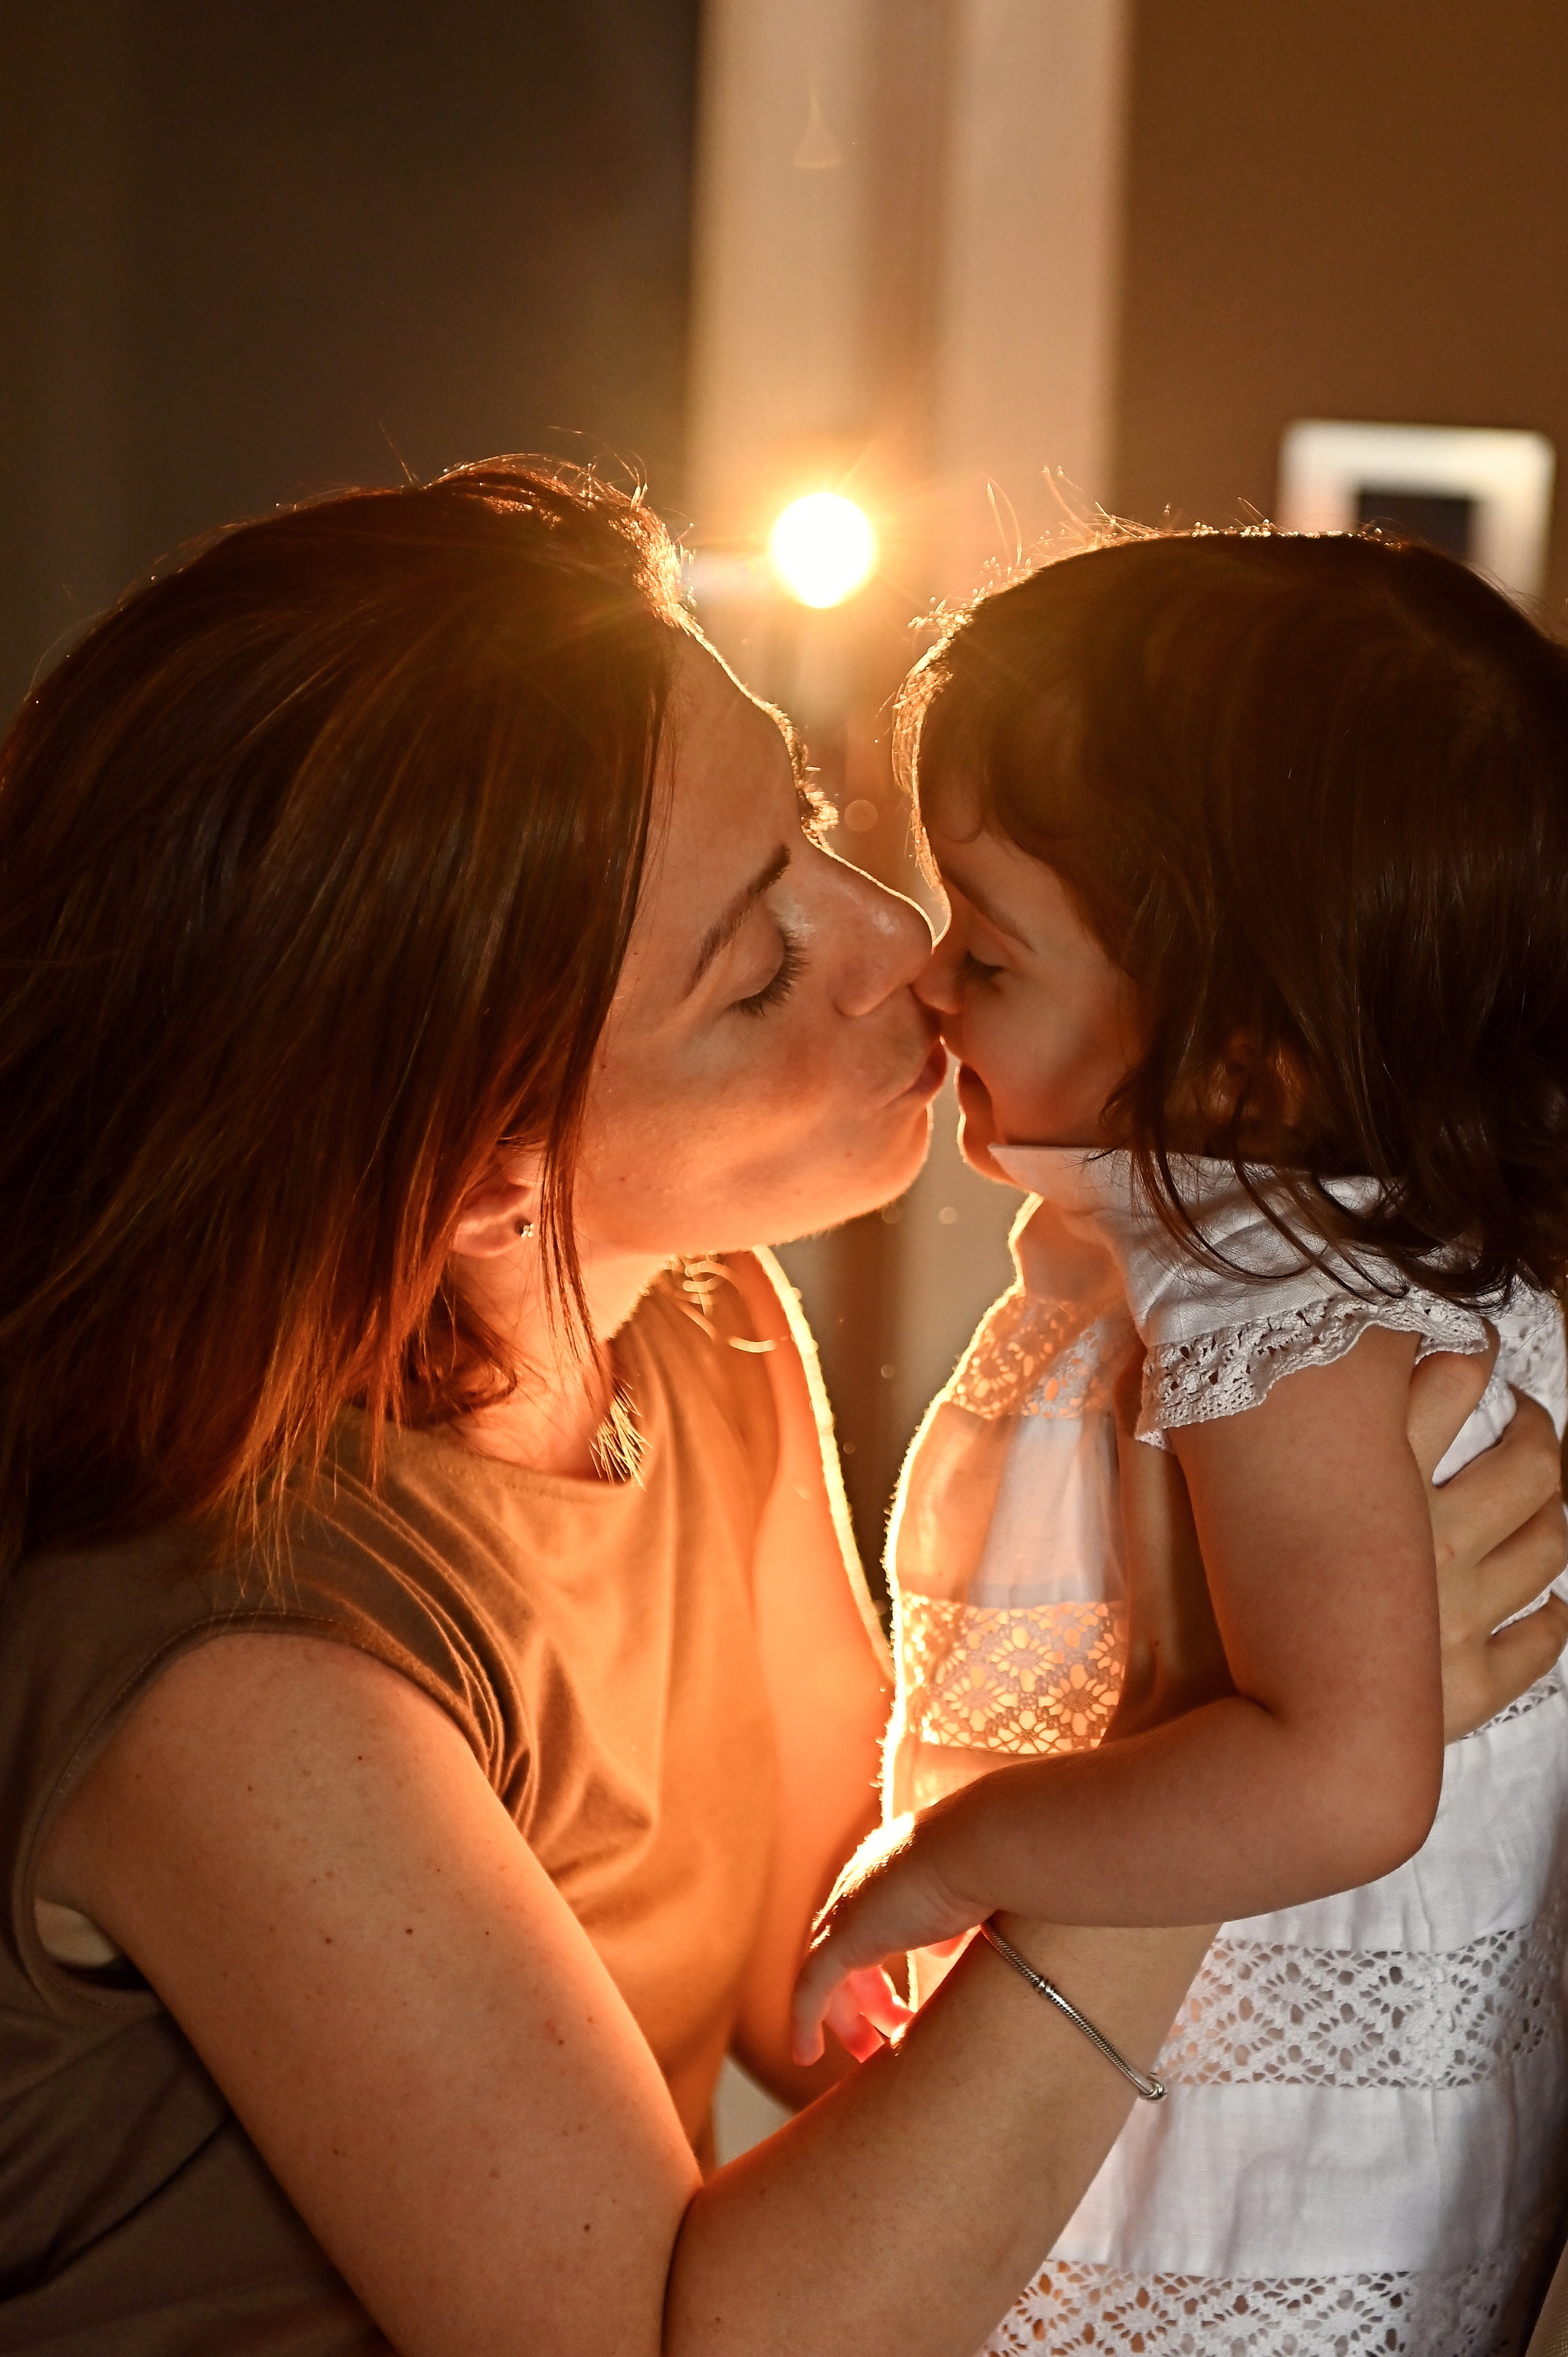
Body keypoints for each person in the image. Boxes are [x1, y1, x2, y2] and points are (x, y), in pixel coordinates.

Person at [0, 469, 1559, 2357]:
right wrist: (1231, 1761)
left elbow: (844, 1984)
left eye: (807, 822)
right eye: (758, 971)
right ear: (486, 1177)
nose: (898, 937)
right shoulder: (239, 1675)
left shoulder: (690, 1331)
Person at [794, 528, 1568, 2354]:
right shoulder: (1372, 1244)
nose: (926, 987)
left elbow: (1343, 1776)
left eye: (988, 953)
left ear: (1243, 1063)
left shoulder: (1268, 1295)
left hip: (1236, 2218)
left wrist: (957, 1854)